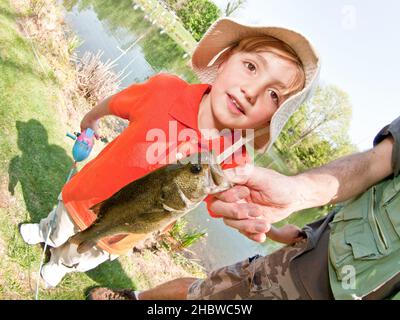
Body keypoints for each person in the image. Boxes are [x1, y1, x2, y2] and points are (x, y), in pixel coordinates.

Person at [18, 18, 320, 288]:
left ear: (270, 118)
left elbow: (243, 208)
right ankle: (47, 232)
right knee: (60, 222)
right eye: (251, 66)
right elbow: (117, 102)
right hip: (86, 193)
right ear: (225, 60)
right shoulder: (165, 90)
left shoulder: (235, 162)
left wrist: (276, 232)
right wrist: (92, 118)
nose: (251, 91)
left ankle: (58, 265)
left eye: (273, 94)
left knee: (81, 254)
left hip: (123, 232)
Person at [88, 116, 400, 300]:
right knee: (205, 292)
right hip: (316, 266)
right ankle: (134, 297)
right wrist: (297, 192)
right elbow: (375, 164)